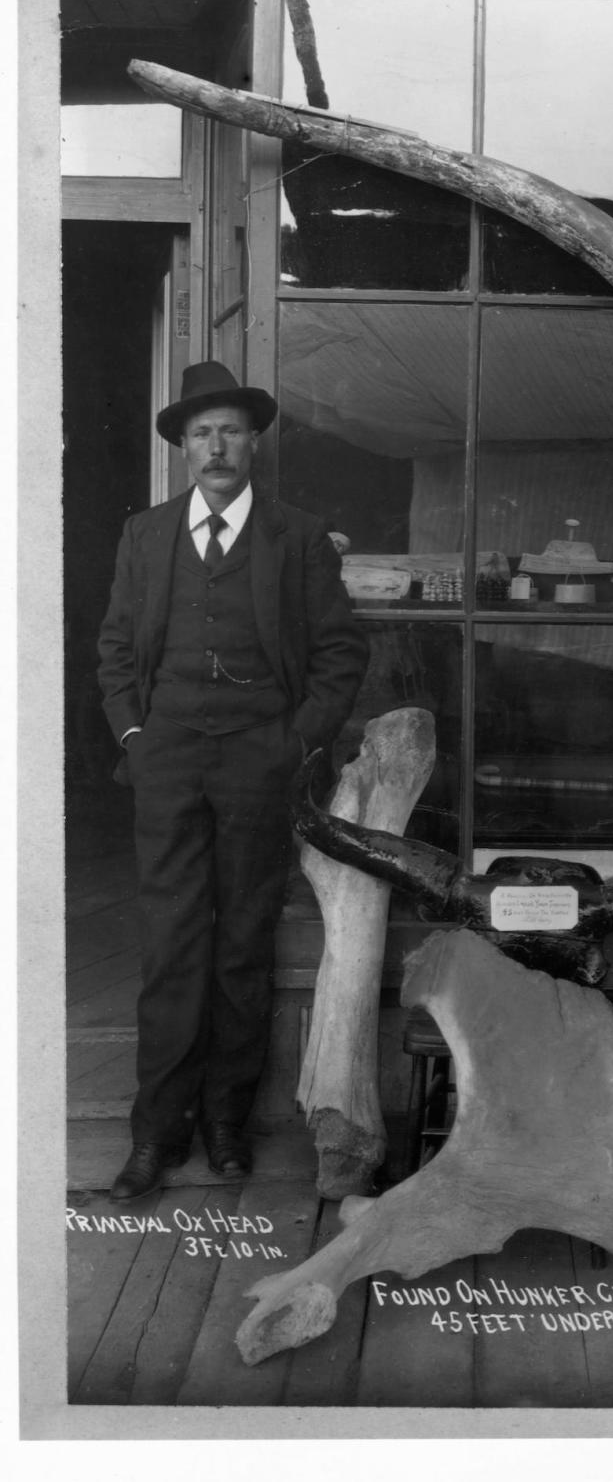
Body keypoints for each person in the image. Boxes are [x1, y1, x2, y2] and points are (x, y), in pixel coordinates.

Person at [97, 361, 369, 1202]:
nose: (217, 446)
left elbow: (339, 655)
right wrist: (137, 736)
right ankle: (156, 1134)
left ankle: (226, 1126)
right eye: (201, 434)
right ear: (183, 448)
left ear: (254, 442)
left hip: (259, 758)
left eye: (231, 431)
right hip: (168, 758)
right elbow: (113, 649)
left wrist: (292, 743)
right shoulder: (145, 536)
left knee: (242, 945)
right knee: (174, 947)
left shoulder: (296, 536)